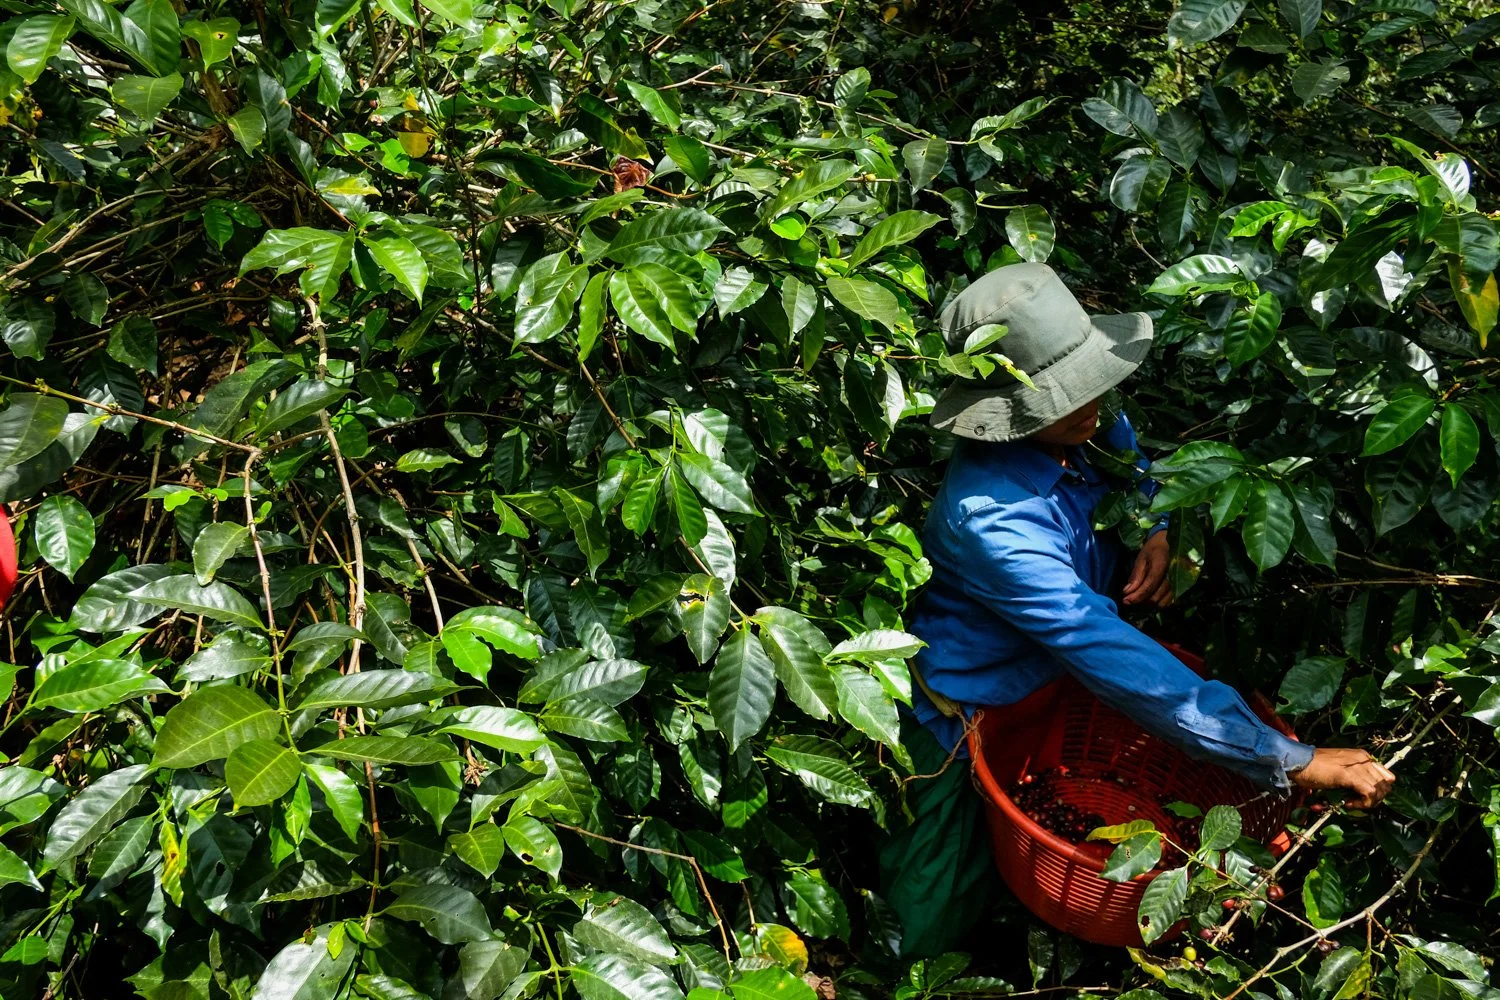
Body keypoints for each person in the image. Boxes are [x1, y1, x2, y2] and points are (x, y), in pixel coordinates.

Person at [879, 263, 1395, 958]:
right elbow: (1105, 649)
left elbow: (1138, 473)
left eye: (1092, 380)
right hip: (961, 713)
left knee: (1005, 863)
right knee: (932, 903)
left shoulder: (1089, 420)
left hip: (1046, 690)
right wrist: (1287, 758)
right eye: (1064, 395)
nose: (1091, 402)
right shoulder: (990, 519)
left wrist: (1157, 529)